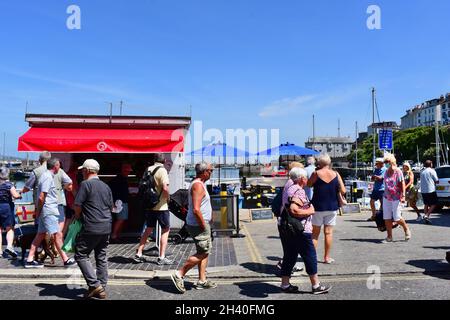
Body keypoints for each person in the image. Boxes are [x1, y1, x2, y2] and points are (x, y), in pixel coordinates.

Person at [279, 167, 331, 295]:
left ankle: (285, 284)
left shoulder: (288, 187)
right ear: (302, 179)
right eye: (306, 177)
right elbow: (294, 210)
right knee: (310, 256)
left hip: (286, 227)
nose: (307, 179)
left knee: (289, 256)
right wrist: (310, 211)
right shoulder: (299, 191)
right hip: (300, 229)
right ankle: (316, 285)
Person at [171, 162, 217, 293]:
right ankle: (179, 274)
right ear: (204, 172)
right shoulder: (198, 185)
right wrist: (203, 224)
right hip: (198, 225)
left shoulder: (200, 183)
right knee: (203, 252)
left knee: (204, 251)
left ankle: (202, 280)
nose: (211, 172)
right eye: (210, 170)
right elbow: (196, 209)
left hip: (200, 223)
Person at [25, 158, 76, 268]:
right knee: (57, 234)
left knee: (40, 235)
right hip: (49, 210)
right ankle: (65, 259)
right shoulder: (48, 177)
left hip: (47, 210)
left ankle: (29, 259)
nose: (60, 167)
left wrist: (39, 212)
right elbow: (41, 196)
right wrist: (38, 212)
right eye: (59, 165)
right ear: (56, 166)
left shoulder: (47, 175)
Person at [74, 159, 114, 300]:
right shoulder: (105, 186)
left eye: (83, 170)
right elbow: (111, 207)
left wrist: (77, 217)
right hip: (106, 226)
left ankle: (95, 284)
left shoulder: (85, 185)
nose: (82, 172)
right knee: (101, 256)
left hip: (91, 226)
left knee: (80, 254)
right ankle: (101, 287)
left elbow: (77, 205)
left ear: (87, 170)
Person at [307, 154, 346, 264]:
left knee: (315, 234)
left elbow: (309, 185)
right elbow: (343, 190)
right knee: (328, 233)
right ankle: (327, 257)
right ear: (329, 163)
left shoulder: (316, 173)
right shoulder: (336, 174)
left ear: (319, 163)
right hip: (332, 207)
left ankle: (312, 258)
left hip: (317, 207)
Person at [134, 154, 172, 265]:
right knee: (165, 230)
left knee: (148, 229)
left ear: (154, 160)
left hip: (150, 205)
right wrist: (168, 198)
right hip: (161, 207)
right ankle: (161, 257)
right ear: (164, 160)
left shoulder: (148, 169)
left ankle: (139, 253)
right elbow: (165, 188)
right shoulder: (162, 170)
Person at [276, 161, 305, 272]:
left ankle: (288, 265)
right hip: (289, 219)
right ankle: (284, 266)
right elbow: (293, 205)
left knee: (290, 246)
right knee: (291, 246)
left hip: (285, 218)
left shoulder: (289, 183)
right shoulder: (293, 185)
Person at [382, 153, 411, 243]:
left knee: (397, 217)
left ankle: (406, 229)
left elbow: (402, 183)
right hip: (387, 196)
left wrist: (403, 195)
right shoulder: (386, 172)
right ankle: (389, 236)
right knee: (387, 217)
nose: (386, 163)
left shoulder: (398, 171)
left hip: (396, 196)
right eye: (385, 162)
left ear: (391, 162)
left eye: (387, 161)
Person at [0, 167, 21, 258]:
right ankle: (9, 246)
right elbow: (15, 195)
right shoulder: (9, 185)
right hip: (6, 207)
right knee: (10, 228)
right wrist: (20, 196)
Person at [108, 163, 132, 242]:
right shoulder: (120, 179)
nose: (128, 173)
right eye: (127, 171)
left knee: (121, 219)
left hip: (120, 201)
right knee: (121, 219)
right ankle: (114, 235)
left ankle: (116, 234)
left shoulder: (119, 179)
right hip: (120, 202)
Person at [53, 163, 73, 233]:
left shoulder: (49, 174)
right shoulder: (62, 173)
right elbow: (70, 187)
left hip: (53, 202)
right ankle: (61, 236)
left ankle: (58, 237)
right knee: (63, 220)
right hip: (62, 201)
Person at [63, 161, 80, 236]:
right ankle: (66, 235)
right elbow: (73, 189)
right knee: (70, 218)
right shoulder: (72, 176)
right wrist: (78, 199)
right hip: (71, 200)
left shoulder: (69, 175)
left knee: (69, 218)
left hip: (68, 199)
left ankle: (64, 235)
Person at [420, 160, 439, 225]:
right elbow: (436, 181)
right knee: (434, 203)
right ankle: (427, 215)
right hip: (431, 190)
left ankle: (426, 218)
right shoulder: (432, 171)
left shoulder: (422, 171)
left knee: (426, 204)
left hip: (423, 190)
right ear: (430, 164)